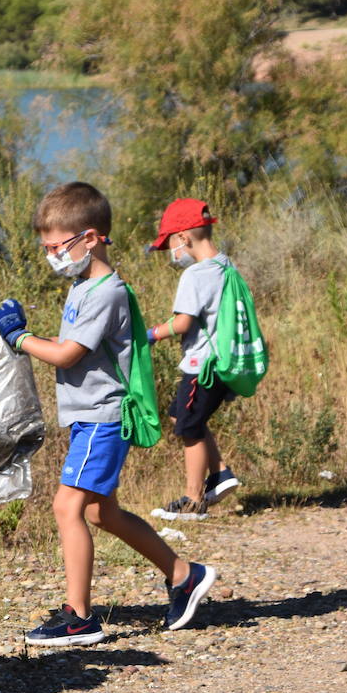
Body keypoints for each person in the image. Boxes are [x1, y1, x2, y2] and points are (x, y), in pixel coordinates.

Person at [0, 181, 217, 645]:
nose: (52, 254)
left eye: (57, 246)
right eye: (47, 247)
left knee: (67, 506)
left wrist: (19, 338)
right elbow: (66, 346)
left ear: (89, 238)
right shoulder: (82, 288)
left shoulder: (104, 293)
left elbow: (68, 354)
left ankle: (79, 616)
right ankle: (184, 574)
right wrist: (28, 334)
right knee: (100, 513)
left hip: (102, 417)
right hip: (87, 418)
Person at [143, 198, 243, 521]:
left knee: (190, 427)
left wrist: (151, 334)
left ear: (183, 238)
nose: (171, 254)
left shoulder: (195, 275)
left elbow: (183, 323)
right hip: (224, 362)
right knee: (180, 415)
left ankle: (193, 500)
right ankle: (221, 473)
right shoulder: (227, 266)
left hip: (202, 366)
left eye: (170, 244)